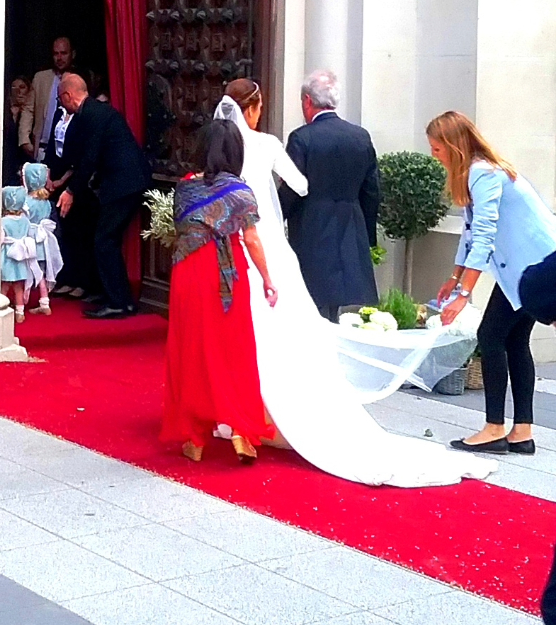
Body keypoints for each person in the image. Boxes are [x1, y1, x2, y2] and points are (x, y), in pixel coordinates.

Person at [214, 85, 497, 486]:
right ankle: (283, 413)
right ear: (255, 108)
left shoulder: (252, 144)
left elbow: (286, 195)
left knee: (248, 331)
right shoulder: (321, 139)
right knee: (291, 328)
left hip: (243, 243)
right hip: (304, 236)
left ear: (307, 103)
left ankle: (240, 414)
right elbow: (308, 185)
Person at [427, 111, 556, 456]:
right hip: (528, 269)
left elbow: (484, 236)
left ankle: (495, 428)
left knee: (491, 336)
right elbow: (470, 232)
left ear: (453, 147)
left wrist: (464, 294)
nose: (434, 156)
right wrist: (454, 280)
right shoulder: (482, 170)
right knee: (514, 340)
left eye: (437, 149)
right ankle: (522, 432)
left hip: (537, 269)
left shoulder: (483, 174)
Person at [162, 120, 277, 464]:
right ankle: (242, 431)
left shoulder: (184, 188)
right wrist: (268, 278)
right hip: (225, 273)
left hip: (189, 272)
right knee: (234, 348)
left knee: (192, 348)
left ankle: (195, 438)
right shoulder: (240, 192)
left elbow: (181, 228)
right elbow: (252, 239)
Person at [279, 70, 380, 320]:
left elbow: (292, 187)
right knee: (336, 302)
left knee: (311, 298)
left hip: (311, 225)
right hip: (350, 223)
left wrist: (276, 216)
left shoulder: (302, 138)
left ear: (307, 101)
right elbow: (372, 190)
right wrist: (367, 235)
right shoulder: (360, 136)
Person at [56, 73, 152, 318]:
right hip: (123, 183)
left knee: (104, 241)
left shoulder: (93, 114)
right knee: (105, 239)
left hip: (124, 184)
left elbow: (90, 158)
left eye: (60, 99)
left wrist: (70, 191)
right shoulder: (95, 112)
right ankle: (116, 296)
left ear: (68, 96)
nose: (60, 104)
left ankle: (119, 302)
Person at [43, 102, 97, 300]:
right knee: (62, 231)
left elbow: (81, 156)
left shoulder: (81, 117)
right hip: (55, 177)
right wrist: (48, 176)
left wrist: (63, 181)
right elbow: (51, 147)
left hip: (75, 181)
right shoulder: (59, 113)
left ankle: (82, 281)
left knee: (78, 231)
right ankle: (66, 278)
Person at [22, 162, 63, 315]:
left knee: (24, 270)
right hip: (44, 242)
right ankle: (44, 301)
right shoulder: (47, 203)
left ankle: (21, 300)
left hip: (30, 240)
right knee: (41, 273)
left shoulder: (25, 202)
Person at [31, 37, 77, 160]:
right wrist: (24, 139)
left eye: (63, 53)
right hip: (42, 148)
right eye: (56, 54)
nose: (59, 58)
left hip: (67, 153)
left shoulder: (79, 81)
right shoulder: (41, 78)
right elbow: (29, 110)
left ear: (72, 54)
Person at [0, 186, 36, 324]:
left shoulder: (3, 222)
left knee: (4, 285)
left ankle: (1, 307)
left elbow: (0, 239)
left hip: (8, 256)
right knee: (19, 287)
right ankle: (20, 313)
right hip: (21, 257)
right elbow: (29, 235)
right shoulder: (25, 221)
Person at [3, 76, 34, 185]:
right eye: (14, 87)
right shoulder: (4, 113)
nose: (18, 91)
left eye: (22, 87)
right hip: (7, 164)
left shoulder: (31, 116)